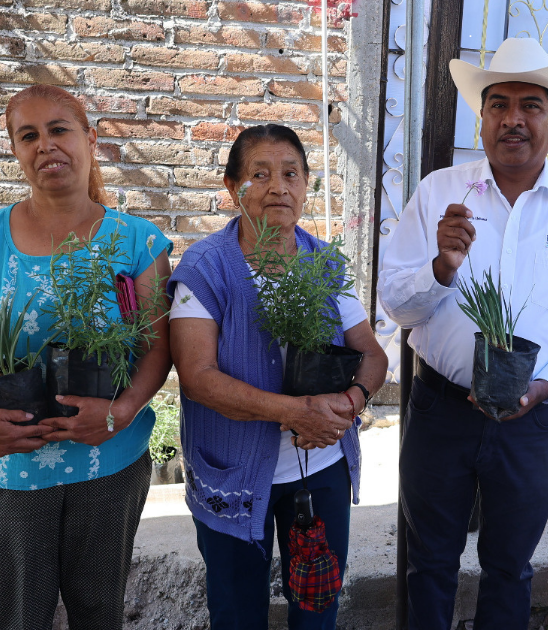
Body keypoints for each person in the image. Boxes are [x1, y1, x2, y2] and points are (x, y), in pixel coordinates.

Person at [378, 37, 548, 628]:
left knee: (510, 567)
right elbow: (395, 304)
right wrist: (440, 266)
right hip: (442, 410)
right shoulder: (441, 192)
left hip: (533, 419)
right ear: (482, 117)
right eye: (500, 105)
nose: (514, 119)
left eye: (531, 105)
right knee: (431, 561)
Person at [0, 84, 173, 630]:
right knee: (19, 617)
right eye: (28, 135)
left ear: (90, 139)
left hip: (109, 464)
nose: (45, 145)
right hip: (3, 469)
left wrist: (122, 410)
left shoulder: (137, 242)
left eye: (59, 129)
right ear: (14, 150)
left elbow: (156, 348)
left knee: (100, 612)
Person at [169, 123, 388, 629]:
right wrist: (296, 412)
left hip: (320, 468)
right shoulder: (206, 269)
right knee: (237, 611)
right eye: (259, 174)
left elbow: (372, 357)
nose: (277, 187)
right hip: (233, 472)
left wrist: (349, 404)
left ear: (306, 184)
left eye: (291, 173)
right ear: (232, 188)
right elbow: (198, 377)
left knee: (317, 607)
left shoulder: (325, 266)